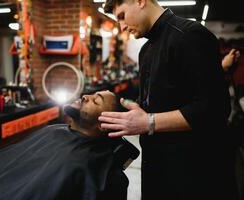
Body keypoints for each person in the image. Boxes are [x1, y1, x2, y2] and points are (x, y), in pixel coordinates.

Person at [98, 1, 238, 200]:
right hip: (158, 168)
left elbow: (214, 108)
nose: (121, 27)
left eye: (121, 16)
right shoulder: (146, 50)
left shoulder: (190, 35)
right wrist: (136, 110)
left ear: (140, 1)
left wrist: (148, 122)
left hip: (193, 173)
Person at [0, 91, 139, 200]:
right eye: (91, 94)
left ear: (104, 125)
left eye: (96, 101)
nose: (86, 96)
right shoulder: (54, 130)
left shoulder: (100, 173)